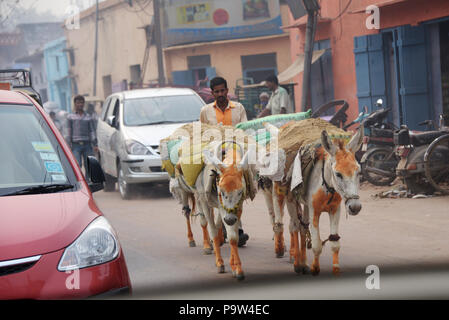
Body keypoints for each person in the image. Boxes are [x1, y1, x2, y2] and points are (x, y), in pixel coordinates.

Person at [199, 77, 250, 247]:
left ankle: (238, 229)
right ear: (212, 93)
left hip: (235, 156)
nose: (220, 94)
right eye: (217, 91)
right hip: (216, 155)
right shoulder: (205, 111)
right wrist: (215, 149)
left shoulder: (239, 108)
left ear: (227, 90)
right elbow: (203, 134)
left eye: (223, 91)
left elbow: (245, 131)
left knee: (242, 185)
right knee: (208, 179)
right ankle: (207, 199)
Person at [67, 95, 98, 172]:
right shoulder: (70, 117)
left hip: (87, 144)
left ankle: (88, 182)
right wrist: (68, 145)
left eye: (81, 103)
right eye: (78, 103)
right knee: (77, 165)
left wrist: (95, 144)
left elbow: (92, 131)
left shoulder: (88, 117)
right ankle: (80, 183)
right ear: (75, 104)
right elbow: (68, 132)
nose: (80, 104)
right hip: (75, 145)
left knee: (88, 165)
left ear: (84, 104)